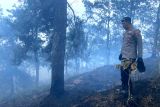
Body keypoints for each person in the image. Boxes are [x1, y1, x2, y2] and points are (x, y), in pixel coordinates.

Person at [119, 17, 145, 95]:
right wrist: (121, 53)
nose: (122, 25)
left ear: (128, 22)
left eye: (123, 23)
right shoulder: (125, 33)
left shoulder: (135, 31)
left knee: (124, 73)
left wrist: (140, 57)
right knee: (125, 73)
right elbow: (124, 45)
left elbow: (140, 44)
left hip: (130, 56)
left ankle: (127, 90)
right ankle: (128, 91)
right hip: (124, 56)